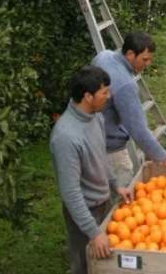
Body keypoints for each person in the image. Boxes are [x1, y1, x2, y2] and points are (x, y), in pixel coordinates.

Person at [50, 65, 133, 274]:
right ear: (88, 96)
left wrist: (115, 185)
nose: (109, 96)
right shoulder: (66, 138)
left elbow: (100, 155)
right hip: (83, 212)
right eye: (104, 92)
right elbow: (70, 192)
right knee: (84, 265)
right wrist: (93, 232)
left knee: (105, 263)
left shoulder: (96, 116)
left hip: (103, 202)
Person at [92, 32, 166, 186]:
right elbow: (138, 129)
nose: (148, 64)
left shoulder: (103, 56)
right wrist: (165, 158)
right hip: (110, 149)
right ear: (130, 54)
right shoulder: (125, 85)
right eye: (144, 59)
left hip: (91, 139)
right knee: (122, 197)